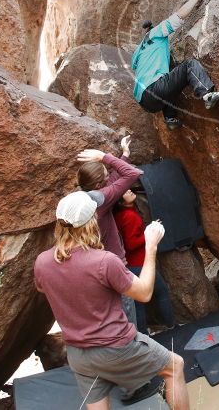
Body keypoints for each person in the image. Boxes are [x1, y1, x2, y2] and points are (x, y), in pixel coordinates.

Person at [34, 191, 189, 410]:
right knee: (175, 366)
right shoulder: (105, 261)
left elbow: (43, 287)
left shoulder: (42, 262)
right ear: (91, 222)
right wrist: (151, 246)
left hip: (78, 353)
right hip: (114, 346)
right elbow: (144, 293)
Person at [131, 0, 219, 130]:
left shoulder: (138, 52)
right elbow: (179, 16)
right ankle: (207, 94)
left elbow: (137, 68)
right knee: (188, 65)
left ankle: (170, 118)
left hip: (145, 102)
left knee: (171, 77)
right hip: (155, 88)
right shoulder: (156, 33)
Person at [76, 135, 141, 327]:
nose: (109, 175)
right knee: (127, 313)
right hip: (113, 264)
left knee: (110, 314)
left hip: (91, 267)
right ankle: (134, 347)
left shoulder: (82, 198)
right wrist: (104, 156)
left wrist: (125, 154)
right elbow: (131, 174)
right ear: (99, 186)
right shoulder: (101, 201)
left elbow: (114, 180)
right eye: (105, 174)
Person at [115, 189, 176, 334]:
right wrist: (150, 233)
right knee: (162, 293)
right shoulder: (129, 216)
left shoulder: (119, 215)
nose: (129, 190)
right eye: (124, 192)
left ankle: (143, 335)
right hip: (140, 264)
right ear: (120, 201)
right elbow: (131, 243)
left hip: (130, 264)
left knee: (138, 304)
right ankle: (172, 326)